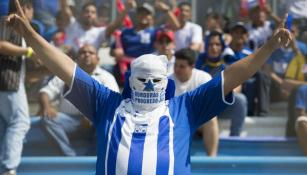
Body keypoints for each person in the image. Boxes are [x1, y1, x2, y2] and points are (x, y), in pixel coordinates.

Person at [6, 0, 292, 173]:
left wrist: (268, 46)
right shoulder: (107, 103)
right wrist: (30, 36)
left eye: (156, 79)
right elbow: (66, 68)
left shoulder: (184, 108)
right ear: (130, 81)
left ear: (166, 83)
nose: (150, 84)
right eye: (143, 78)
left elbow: (232, 75)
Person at [37, 44, 119, 156]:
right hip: (69, 122)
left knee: (108, 122)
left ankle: (91, 160)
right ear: (76, 58)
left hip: (95, 123)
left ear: (98, 59)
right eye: (83, 52)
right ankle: (70, 158)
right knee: (47, 119)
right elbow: (45, 92)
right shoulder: (66, 74)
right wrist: (47, 107)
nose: (87, 55)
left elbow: (113, 103)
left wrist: (94, 114)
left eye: (91, 53)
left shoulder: (107, 77)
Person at [0, 0, 35, 174]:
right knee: (20, 122)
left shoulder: (15, 27)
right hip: (6, 82)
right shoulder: (6, 22)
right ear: (26, 8)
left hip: (10, 82)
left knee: (4, 126)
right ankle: (8, 168)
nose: (32, 14)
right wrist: (28, 51)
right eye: (31, 9)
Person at [196, 31, 247, 136]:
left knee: (241, 100)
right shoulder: (199, 65)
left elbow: (238, 86)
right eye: (210, 45)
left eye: (217, 44)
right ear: (205, 47)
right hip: (203, 106)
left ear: (222, 47)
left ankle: (235, 137)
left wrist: (224, 93)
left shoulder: (228, 64)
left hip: (221, 104)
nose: (214, 48)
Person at [170, 48, 218, 157]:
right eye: (175, 65)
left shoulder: (204, 78)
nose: (177, 69)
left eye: (182, 66)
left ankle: (212, 159)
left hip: (198, 121)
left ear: (192, 66)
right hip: (175, 122)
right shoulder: (168, 81)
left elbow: (209, 107)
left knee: (211, 118)